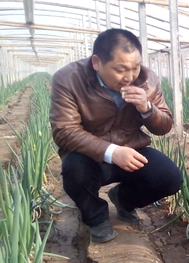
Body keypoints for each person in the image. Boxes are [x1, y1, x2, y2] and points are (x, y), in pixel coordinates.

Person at [50, 28, 182, 243]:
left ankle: (123, 199)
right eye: (121, 69)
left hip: (132, 148)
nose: (130, 77)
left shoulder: (148, 80)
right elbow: (64, 131)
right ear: (96, 62)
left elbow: (164, 126)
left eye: (135, 67)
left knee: (169, 178)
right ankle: (96, 217)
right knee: (74, 170)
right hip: (89, 155)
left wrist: (147, 108)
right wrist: (111, 152)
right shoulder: (69, 79)